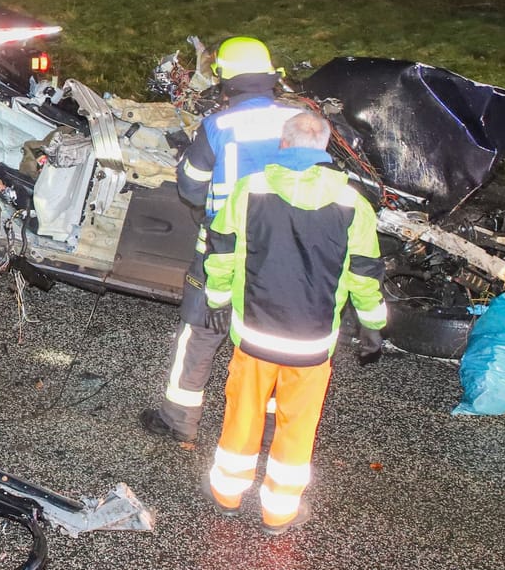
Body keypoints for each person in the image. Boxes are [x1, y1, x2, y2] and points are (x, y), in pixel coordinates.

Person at [201, 111, 387, 533]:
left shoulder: (250, 190)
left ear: (283, 144)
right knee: (297, 426)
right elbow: (365, 275)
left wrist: (217, 297)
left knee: (243, 415)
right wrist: (372, 326)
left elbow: (222, 253)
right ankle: (278, 513)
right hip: (311, 344)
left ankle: (228, 495)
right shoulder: (353, 205)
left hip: (254, 336)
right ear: (324, 148)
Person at [141, 36, 301, 443]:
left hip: (223, 244)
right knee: (269, 337)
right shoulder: (299, 121)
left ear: (226, 82)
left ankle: (178, 420)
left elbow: (191, 186)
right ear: (270, 77)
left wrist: (207, 205)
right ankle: (266, 429)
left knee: (200, 331)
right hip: (285, 248)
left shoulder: (218, 125)